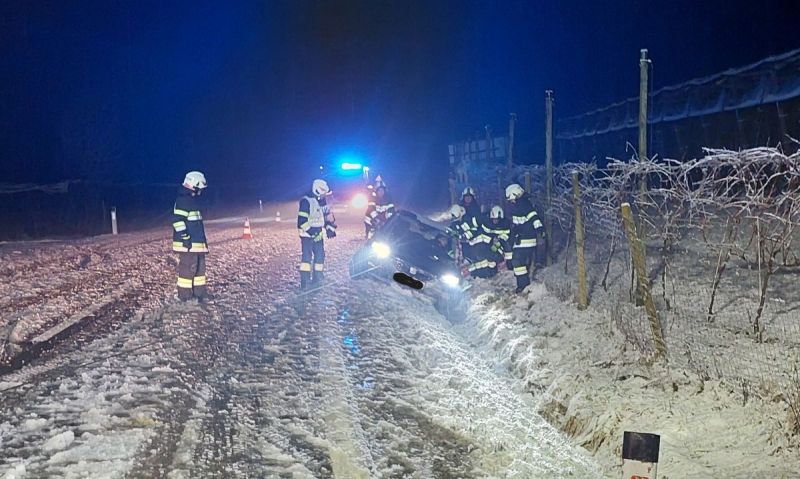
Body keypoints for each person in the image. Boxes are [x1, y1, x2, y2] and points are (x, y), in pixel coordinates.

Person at [172, 171, 209, 302]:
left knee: (199, 270)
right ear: (194, 184)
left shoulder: (190, 201)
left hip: (196, 244)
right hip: (188, 244)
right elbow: (177, 221)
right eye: (199, 188)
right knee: (187, 270)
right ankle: (185, 296)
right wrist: (185, 238)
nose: (200, 191)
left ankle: (200, 293)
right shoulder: (183, 201)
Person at [298, 179, 337, 290]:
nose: (325, 195)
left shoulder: (322, 202)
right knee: (306, 259)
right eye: (324, 193)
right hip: (307, 235)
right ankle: (305, 281)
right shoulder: (306, 201)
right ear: (318, 190)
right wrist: (312, 233)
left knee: (320, 256)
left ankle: (317, 277)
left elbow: (326, 217)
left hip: (318, 234)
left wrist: (330, 228)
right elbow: (302, 222)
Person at [506, 183, 544, 293]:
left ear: (515, 194)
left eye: (510, 199)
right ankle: (522, 284)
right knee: (518, 262)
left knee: (517, 261)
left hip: (525, 239)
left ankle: (523, 285)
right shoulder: (521, 204)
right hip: (522, 238)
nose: (510, 201)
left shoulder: (523, 204)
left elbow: (533, 217)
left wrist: (539, 229)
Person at [482, 205, 512, 269]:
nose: (495, 221)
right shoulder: (488, 224)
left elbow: (507, 236)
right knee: (490, 251)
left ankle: (508, 264)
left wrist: (499, 239)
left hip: (504, 244)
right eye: (493, 219)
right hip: (493, 244)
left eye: (496, 219)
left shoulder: (506, 224)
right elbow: (486, 234)